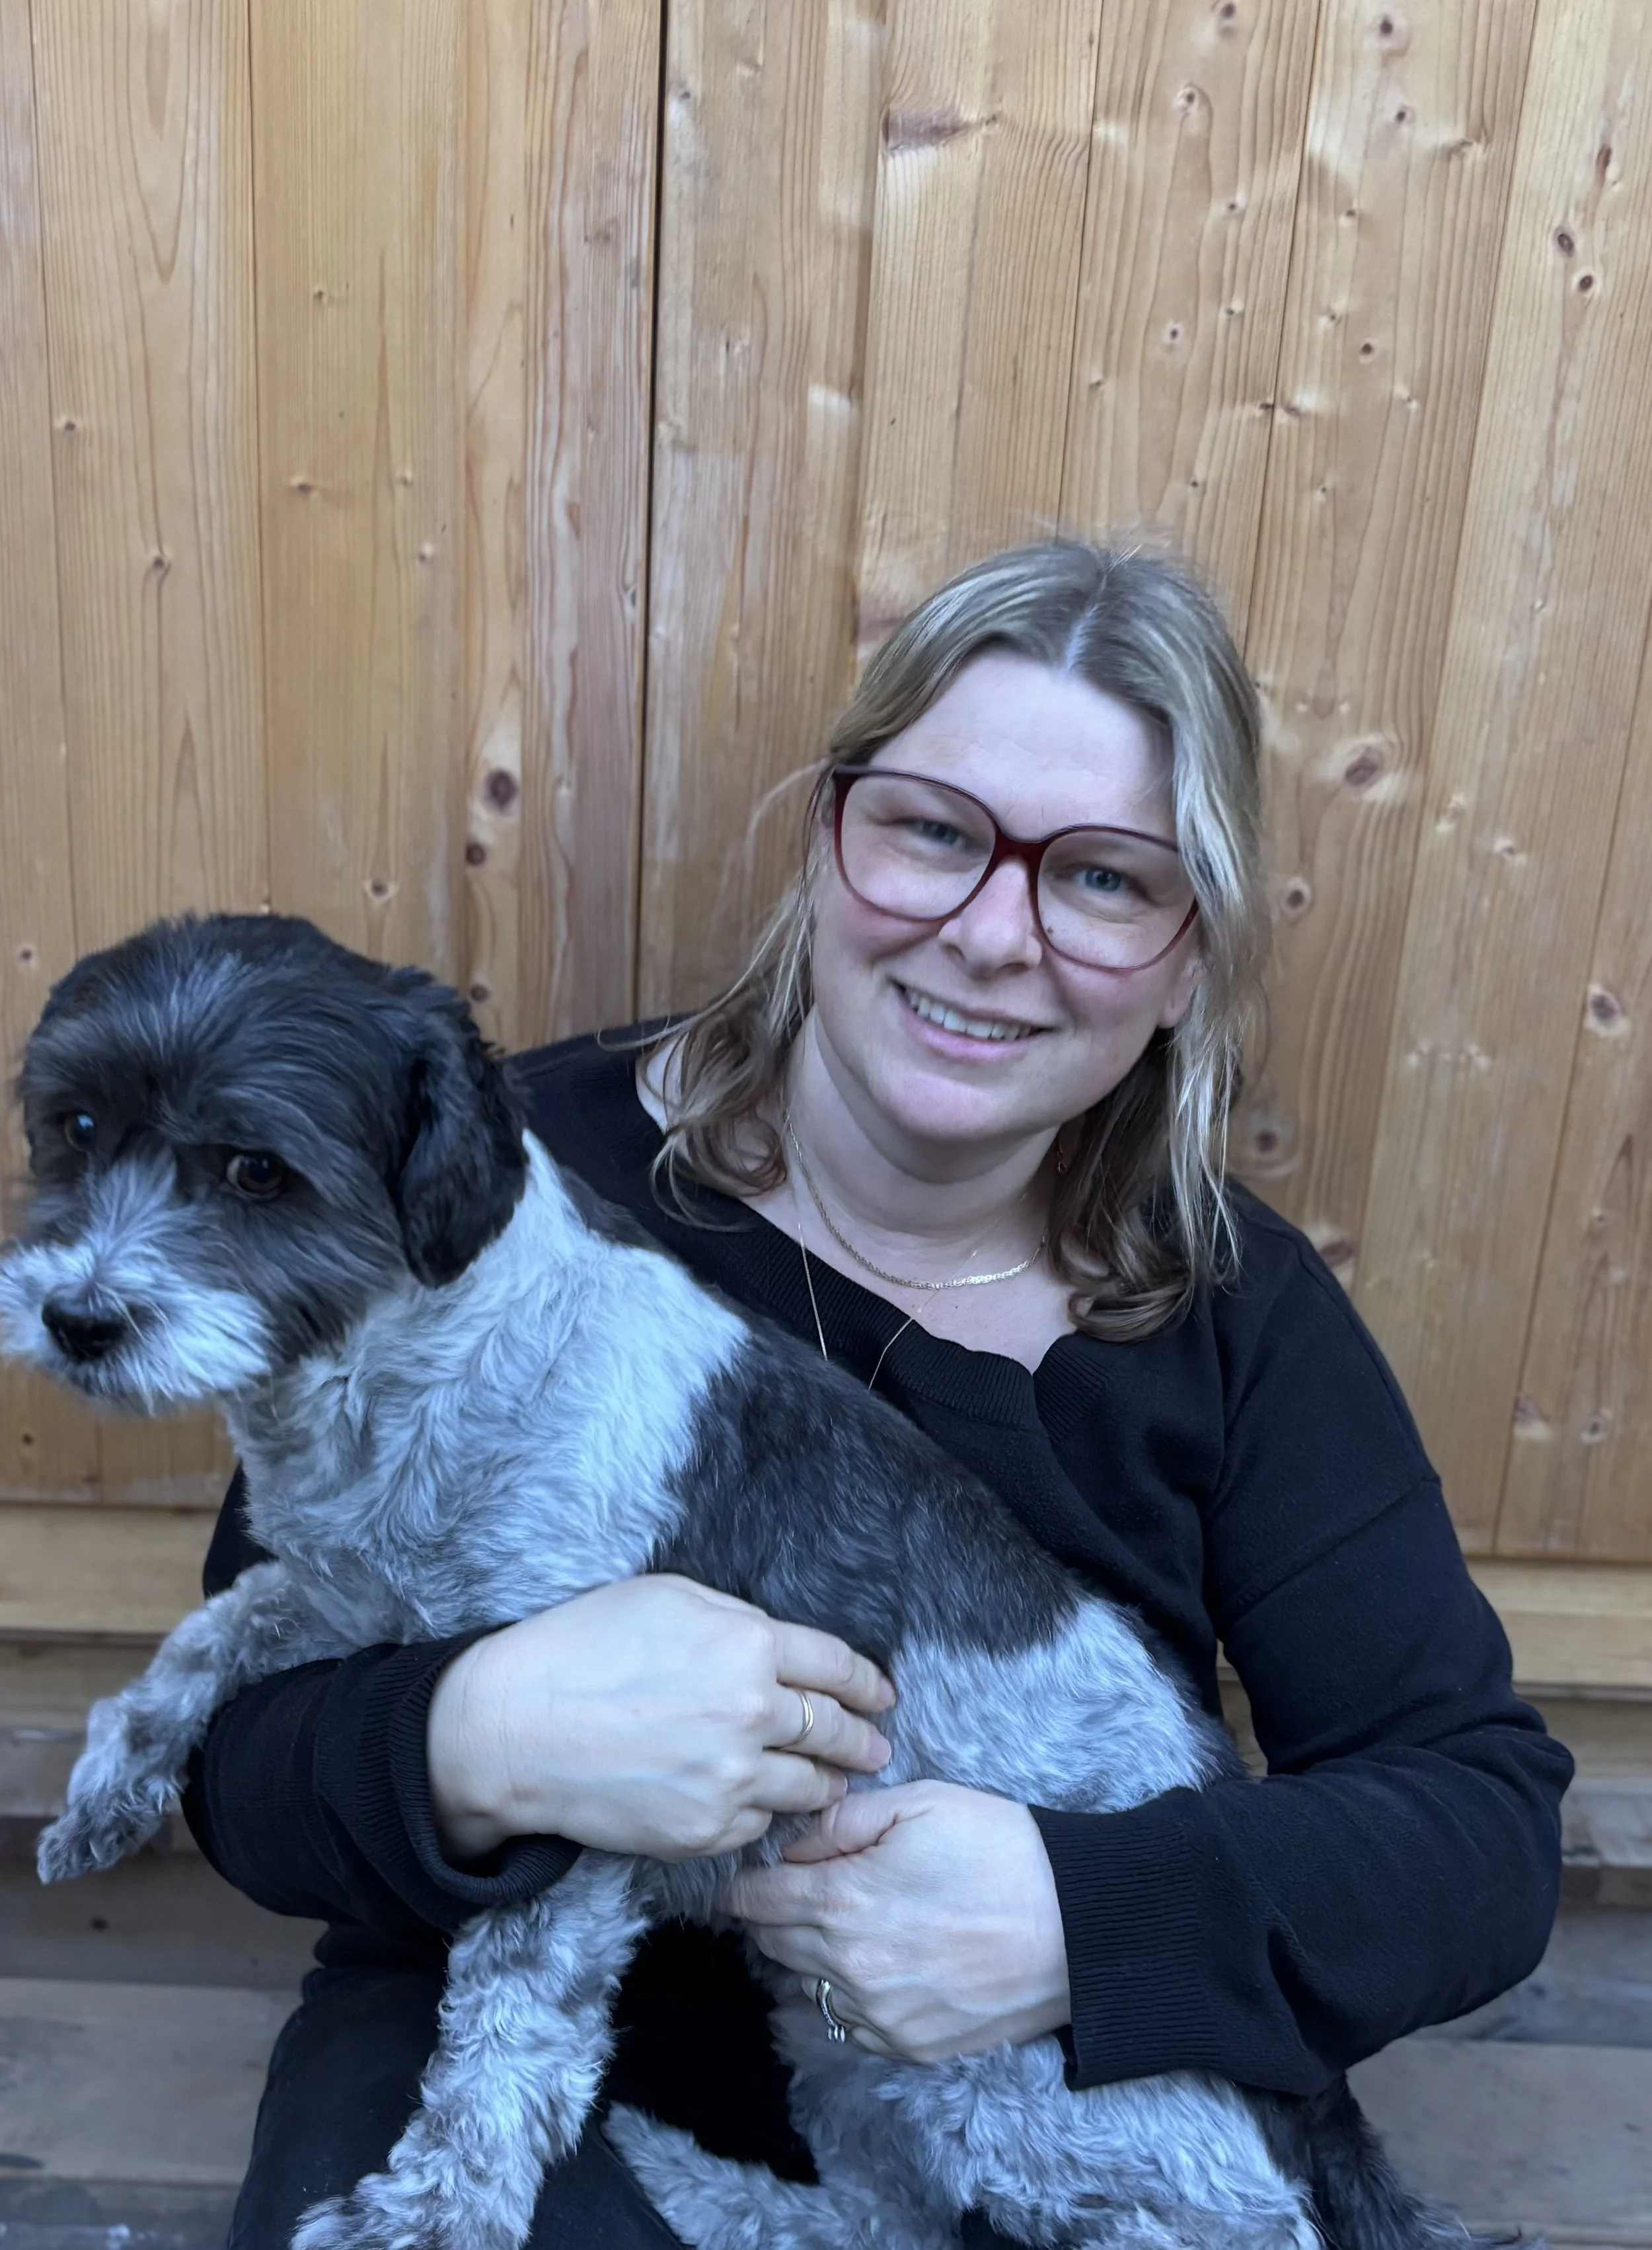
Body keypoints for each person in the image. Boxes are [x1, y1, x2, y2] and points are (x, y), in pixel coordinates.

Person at [185, 541, 1571, 2248]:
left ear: (1188, 957)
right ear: (829, 835)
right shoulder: (490, 1181)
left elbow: (1475, 1824)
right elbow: (238, 1748)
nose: (991, 934)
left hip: (1057, 2117)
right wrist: (471, 1737)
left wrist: (1074, 1912)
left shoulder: (1238, 1314)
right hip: (508, 2086)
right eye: (933, 829)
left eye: (1103, 880)